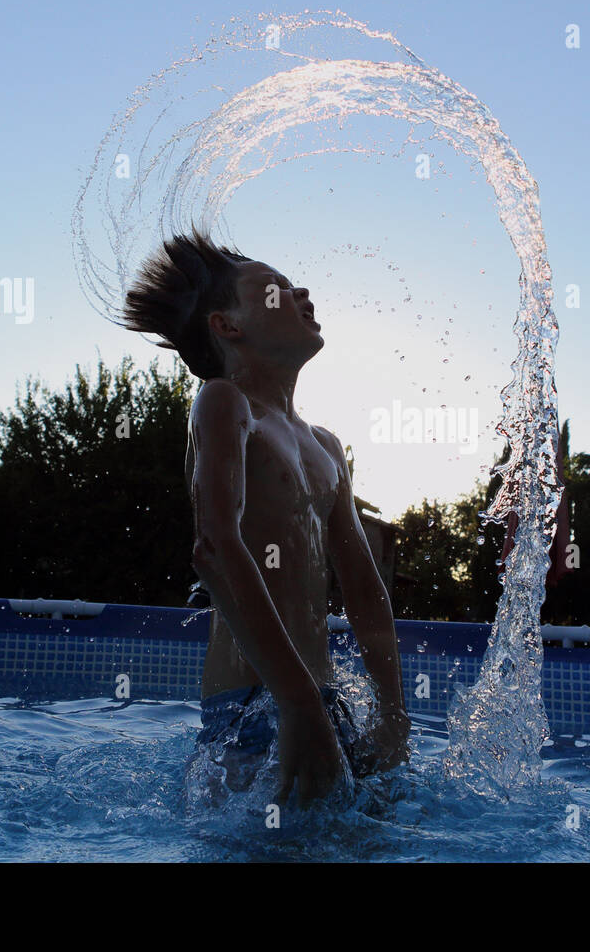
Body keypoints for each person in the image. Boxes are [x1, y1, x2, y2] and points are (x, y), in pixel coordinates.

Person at [117, 226, 411, 805]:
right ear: (228, 326)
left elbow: (363, 588)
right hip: (255, 703)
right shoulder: (224, 403)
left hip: (320, 702)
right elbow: (216, 549)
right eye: (275, 290)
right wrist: (295, 703)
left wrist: (393, 715)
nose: (301, 292)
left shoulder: (325, 446)